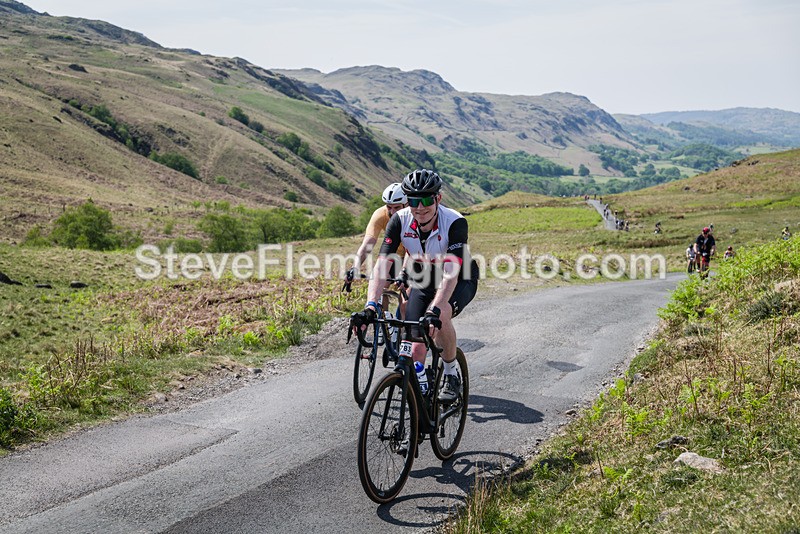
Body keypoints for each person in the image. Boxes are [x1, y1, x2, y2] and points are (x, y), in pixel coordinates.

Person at [352, 169, 478, 403]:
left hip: (460, 277)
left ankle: (451, 373)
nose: (420, 208)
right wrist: (371, 306)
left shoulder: (455, 222)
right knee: (413, 338)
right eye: (413, 201)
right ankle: (420, 388)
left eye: (426, 200)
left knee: (441, 315)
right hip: (425, 276)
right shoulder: (400, 220)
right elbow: (382, 265)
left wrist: (435, 309)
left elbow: (450, 273)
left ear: (438, 198)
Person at [346, 183, 407, 284]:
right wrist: (355, 267)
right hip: (396, 255)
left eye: (397, 207)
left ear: (407, 204)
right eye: (389, 207)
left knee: (408, 290)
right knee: (381, 283)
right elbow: (368, 243)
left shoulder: (414, 214)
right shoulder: (380, 214)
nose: (392, 212)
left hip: (415, 256)